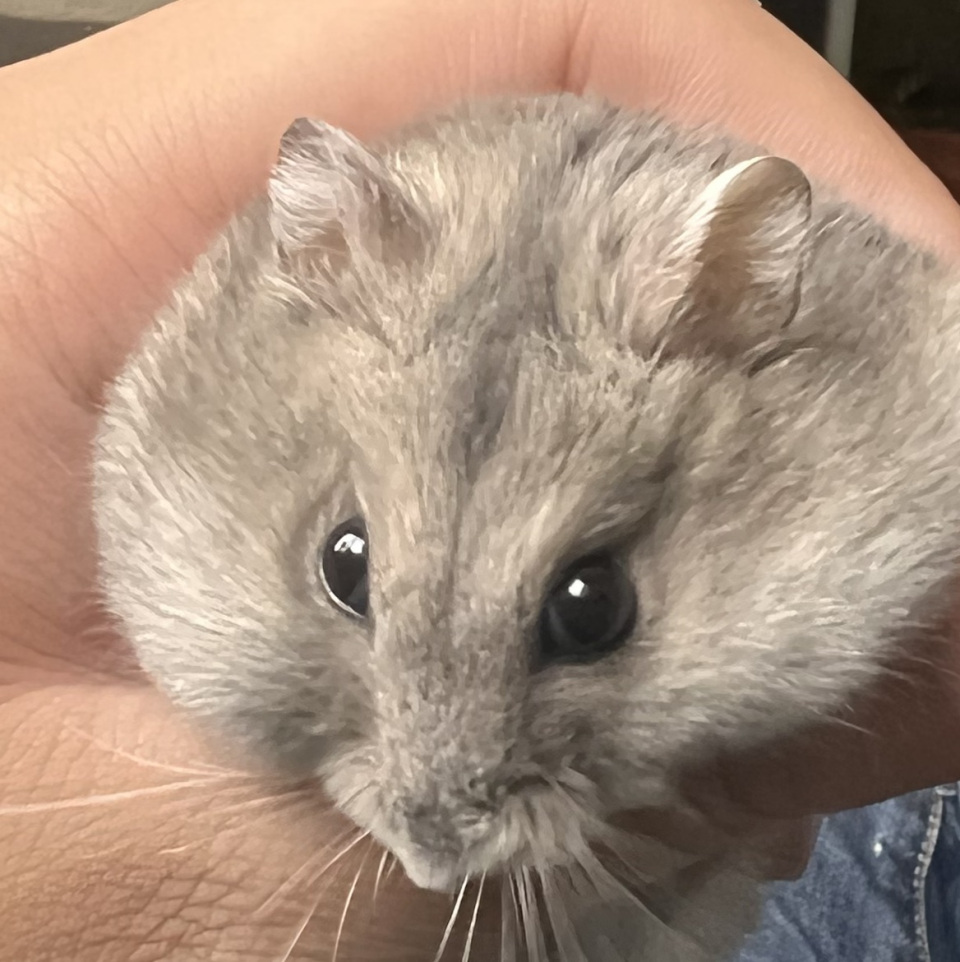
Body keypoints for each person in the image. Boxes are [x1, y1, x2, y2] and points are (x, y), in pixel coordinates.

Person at [1, 0, 959, 957]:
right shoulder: (230, 384)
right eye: (348, 567)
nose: (431, 834)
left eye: (589, 609)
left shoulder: (839, 397)